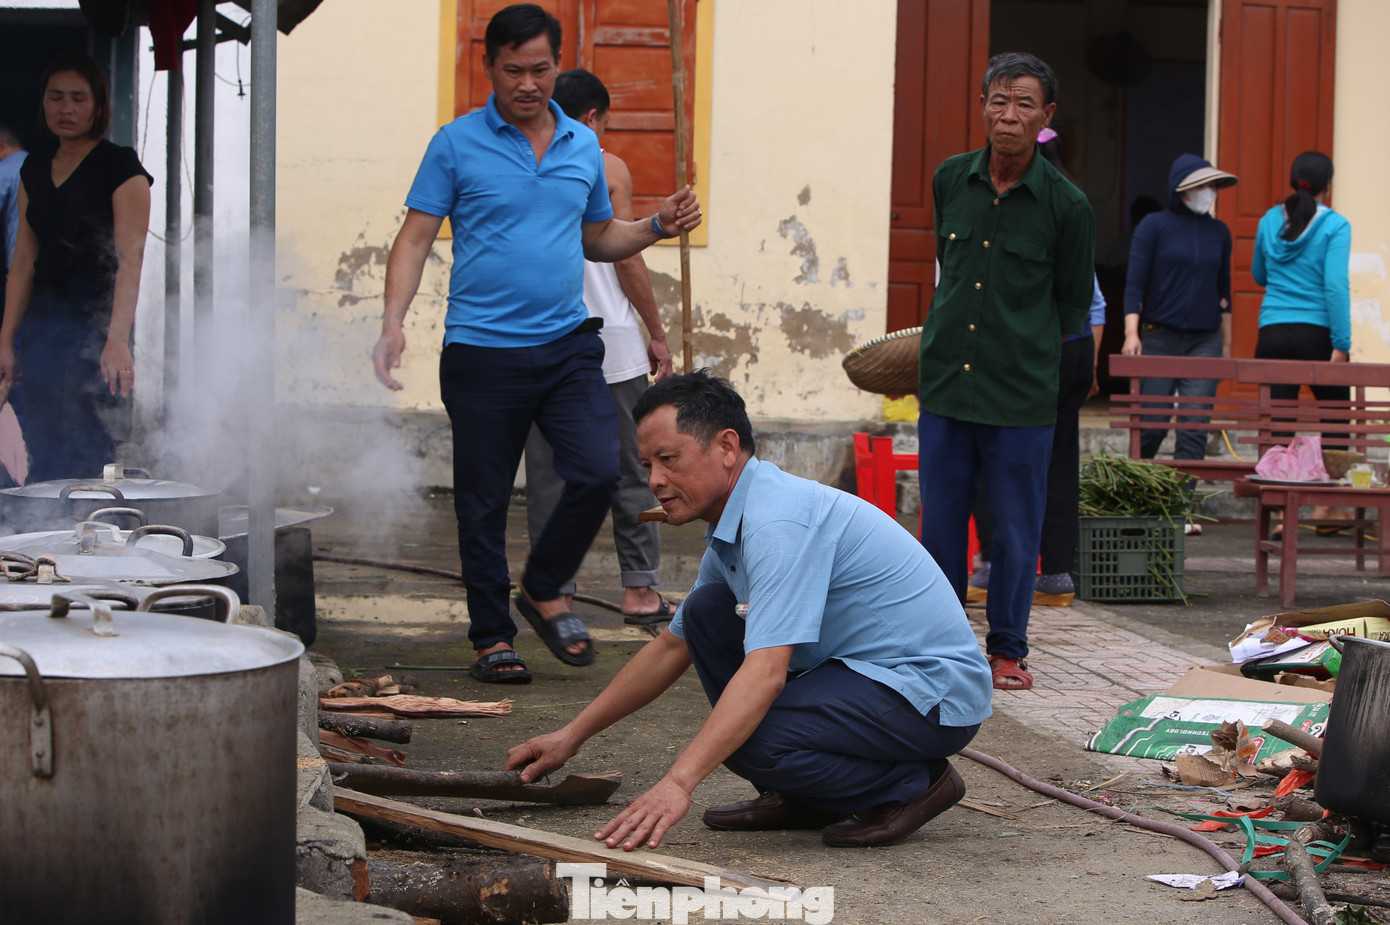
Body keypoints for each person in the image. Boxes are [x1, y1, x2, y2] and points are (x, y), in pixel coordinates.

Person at [506, 370, 993, 850]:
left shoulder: (776, 522)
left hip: (928, 691)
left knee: (750, 738)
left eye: (669, 459)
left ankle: (915, 785)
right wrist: (571, 736)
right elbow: (671, 646)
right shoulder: (735, 520)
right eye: (647, 464)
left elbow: (766, 674)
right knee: (705, 612)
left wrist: (678, 783)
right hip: (864, 675)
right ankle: (807, 796)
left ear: (726, 447)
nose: (655, 480)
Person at [371, 4, 701, 684]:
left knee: (597, 468)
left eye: (542, 69)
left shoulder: (583, 147)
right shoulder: (456, 143)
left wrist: (656, 225)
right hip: (481, 351)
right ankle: (494, 636)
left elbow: (598, 238)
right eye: (514, 70)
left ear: (558, 66)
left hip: (565, 344)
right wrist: (393, 320)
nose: (529, 83)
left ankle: (546, 585)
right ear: (489, 67)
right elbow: (414, 237)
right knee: (483, 500)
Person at [916, 52, 1095, 691]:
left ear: (1046, 117)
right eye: (999, 100)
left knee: (1017, 534)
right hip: (944, 385)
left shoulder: (1068, 206)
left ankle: (1008, 649)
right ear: (984, 106)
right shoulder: (948, 180)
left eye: (1024, 104)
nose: (1009, 116)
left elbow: (1072, 308)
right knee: (938, 526)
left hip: (1020, 393)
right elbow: (948, 264)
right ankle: (937, 644)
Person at [524, 68, 675, 625]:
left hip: (542, 340)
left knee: (548, 478)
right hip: (609, 342)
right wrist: (656, 331)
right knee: (634, 470)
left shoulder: (524, 165)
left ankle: (555, 594)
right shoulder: (607, 166)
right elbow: (627, 257)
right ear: (591, 119)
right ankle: (639, 592)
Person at [0, 55, 152, 483]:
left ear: (98, 105)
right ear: (44, 104)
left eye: (78, 98)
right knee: (43, 440)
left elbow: (130, 259)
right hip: (43, 326)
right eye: (56, 97)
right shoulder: (33, 167)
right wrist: (6, 341)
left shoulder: (121, 167)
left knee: (86, 441)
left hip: (94, 328)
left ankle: (96, 533)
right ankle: (44, 540)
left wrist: (117, 340)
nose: (66, 109)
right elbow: (23, 262)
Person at [968, 127, 1103, 609]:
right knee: (1060, 458)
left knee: (995, 452)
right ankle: (1057, 574)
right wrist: (1087, 363)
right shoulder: (1073, 202)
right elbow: (1094, 302)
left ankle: (991, 567)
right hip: (1076, 346)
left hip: (1029, 349)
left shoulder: (1034, 203)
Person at [1253, 151, 1351, 530]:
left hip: (1273, 332)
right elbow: (1335, 286)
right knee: (1337, 416)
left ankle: (1279, 513)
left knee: (1278, 421)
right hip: (1317, 334)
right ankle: (1329, 508)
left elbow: (1260, 275)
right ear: (1329, 185)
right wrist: (1341, 343)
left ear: (1294, 182)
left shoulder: (1266, 220)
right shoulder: (1335, 225)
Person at [1121, 154, 1236, 463]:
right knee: (1151, 426)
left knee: (1194, 427)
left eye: (1213, 185)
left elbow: (1224, 290)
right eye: (1202, 185)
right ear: (1180, 188)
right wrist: (1132, 333)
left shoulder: (1220, 232)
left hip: (1205, 341)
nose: (1208, 191)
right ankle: (1138, 497)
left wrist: (1226, 344)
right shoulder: (1154, 226)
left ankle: (1185, 505)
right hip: (1159, 337)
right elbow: (1135, 284)